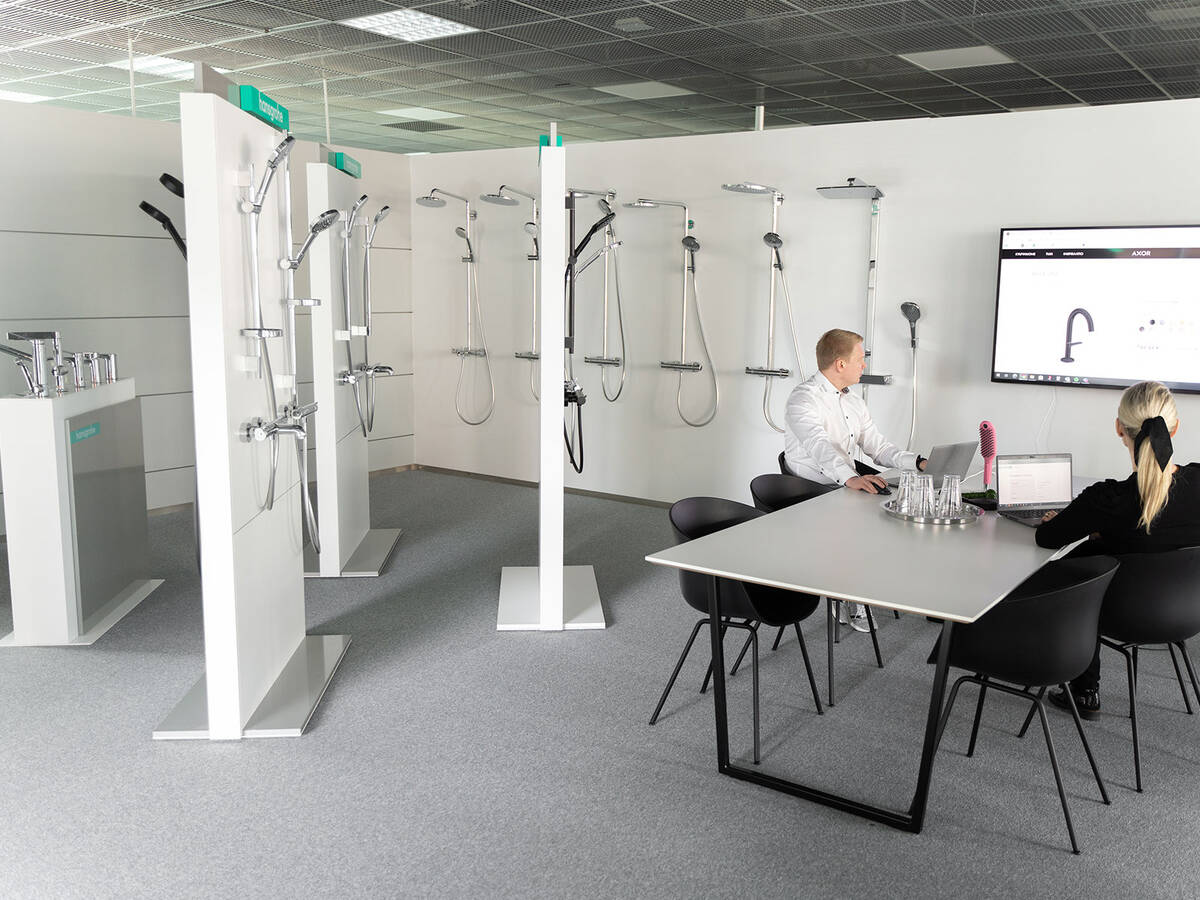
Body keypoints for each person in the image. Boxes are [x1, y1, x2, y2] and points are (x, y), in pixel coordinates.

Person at [1036, 380, 1200, 718]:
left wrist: (1089, 529)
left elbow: (1047, 538)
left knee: (1078, 572)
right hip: (1187, 613)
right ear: (1175, 429)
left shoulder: (1106, 500)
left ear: (1119, 428)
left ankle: (1085, 691)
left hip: (1114, 615)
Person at [784, 328, 927, 630]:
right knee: (866, 521)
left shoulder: (854, 403)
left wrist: (917, 462)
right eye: (860, 359)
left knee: (897, 509)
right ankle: (850, 595)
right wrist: (850, 478)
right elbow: (819, 446)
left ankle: (858, 587)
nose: (864, 365)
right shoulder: (803, 399)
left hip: (843, 484)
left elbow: (878, 447)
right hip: (807, 491)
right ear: (840, 364)